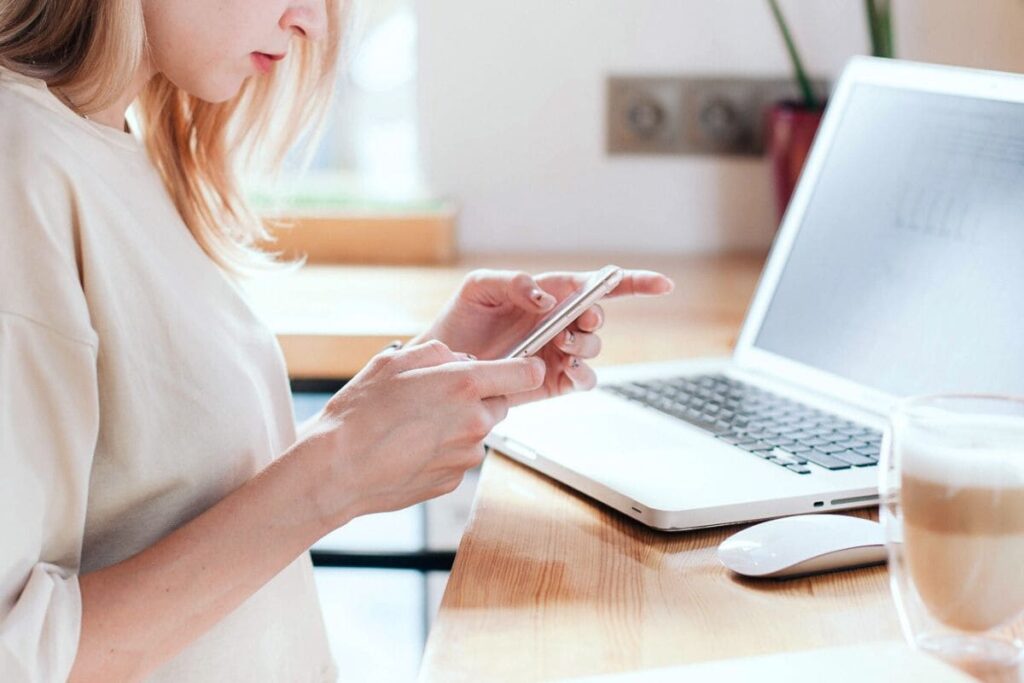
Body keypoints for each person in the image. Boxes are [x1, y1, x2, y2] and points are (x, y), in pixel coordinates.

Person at [0, 0, 674, 680]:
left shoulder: (105, 143)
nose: (313, 23)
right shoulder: (20, 165)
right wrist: (337, 466)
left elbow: (159, 492)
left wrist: (416, 388)